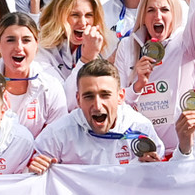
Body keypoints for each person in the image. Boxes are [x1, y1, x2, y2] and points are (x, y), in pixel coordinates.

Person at [32, 59, 163, 168]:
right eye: (89, 96)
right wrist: (37, 167)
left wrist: (150, 167)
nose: (97, 105)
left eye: (105, 95)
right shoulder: (57, 135)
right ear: (78, 99)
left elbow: (157, 178)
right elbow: (32, 179)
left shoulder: (140, 129)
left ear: (120, 96)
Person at [113, 0, 195, 146]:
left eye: (165, 10)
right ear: (143, 16)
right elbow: (117, 102)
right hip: (140, 145)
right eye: (151, 10)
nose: (158, 16)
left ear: (174, 15)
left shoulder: (184, 44)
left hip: (177, 145)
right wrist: (137, 87)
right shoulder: (127, 46)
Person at [0, 13, 71, 137]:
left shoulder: (50, 87)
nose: (19, 47)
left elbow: (57, 138)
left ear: (36, 44)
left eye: (26, 40)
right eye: (11, 40)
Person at [36, 0, 109, 82]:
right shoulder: (42, 49)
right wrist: (86, 59)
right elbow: (63, 96)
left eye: (89, 15)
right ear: (58, 15)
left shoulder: (106, 47)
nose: (83, 23)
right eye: (74, 15)